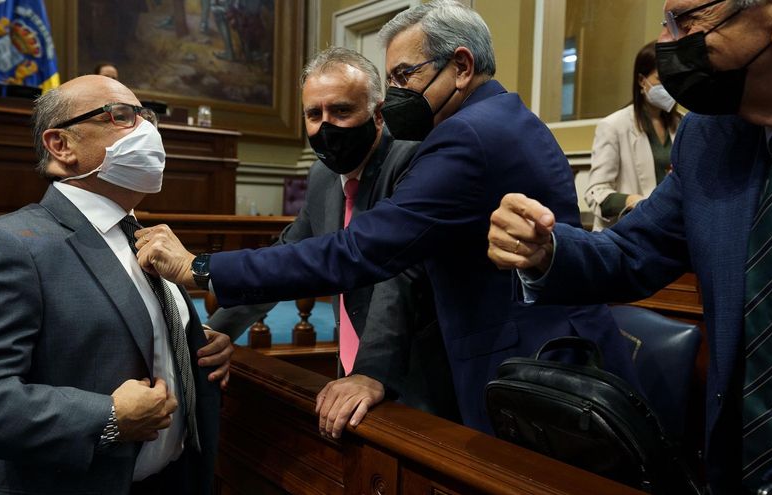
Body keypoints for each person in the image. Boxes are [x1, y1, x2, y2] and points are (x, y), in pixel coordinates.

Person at [135, 0, 639, 434]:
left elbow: (371, 253)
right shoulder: (498, 118)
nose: (397, 93)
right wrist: (211, 331)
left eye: (404, 76)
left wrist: (202, 268)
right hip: (530, 356)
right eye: (314, 114)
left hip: (531, 367)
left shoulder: (461, 139)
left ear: (461, 66)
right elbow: (293, 248)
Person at [487, 0, 772, 493]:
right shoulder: (710, 135)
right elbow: (631, 251)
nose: (667, 45)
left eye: (687, 21)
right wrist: (547, 252)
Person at [0, 74, 233, 494]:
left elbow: (115, 330)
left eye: (147, 116)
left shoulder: (145, 238)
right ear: (61, 145)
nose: (147, 131)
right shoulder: (5, 244)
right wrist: (108, 417)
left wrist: (190, 344)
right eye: (121, 116)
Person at [205, 47, 460, 437]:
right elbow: (288, 256)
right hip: (350, 368)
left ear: (377, 114)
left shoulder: (412, 159)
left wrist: (370, 372)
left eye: (341, 111)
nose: (326, 126)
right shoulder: (323, 177)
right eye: (314, 114)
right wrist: (221, 329)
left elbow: (399, 276)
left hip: (413, 377)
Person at [584, 41, 683, 230]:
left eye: (673, 79)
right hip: (629, 231)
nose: (668, 87)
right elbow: (596, 193)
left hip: (670, 229)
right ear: (641, 80)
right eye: (661, 79)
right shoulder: (614, 126)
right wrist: (634, 201)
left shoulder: (682, 124)